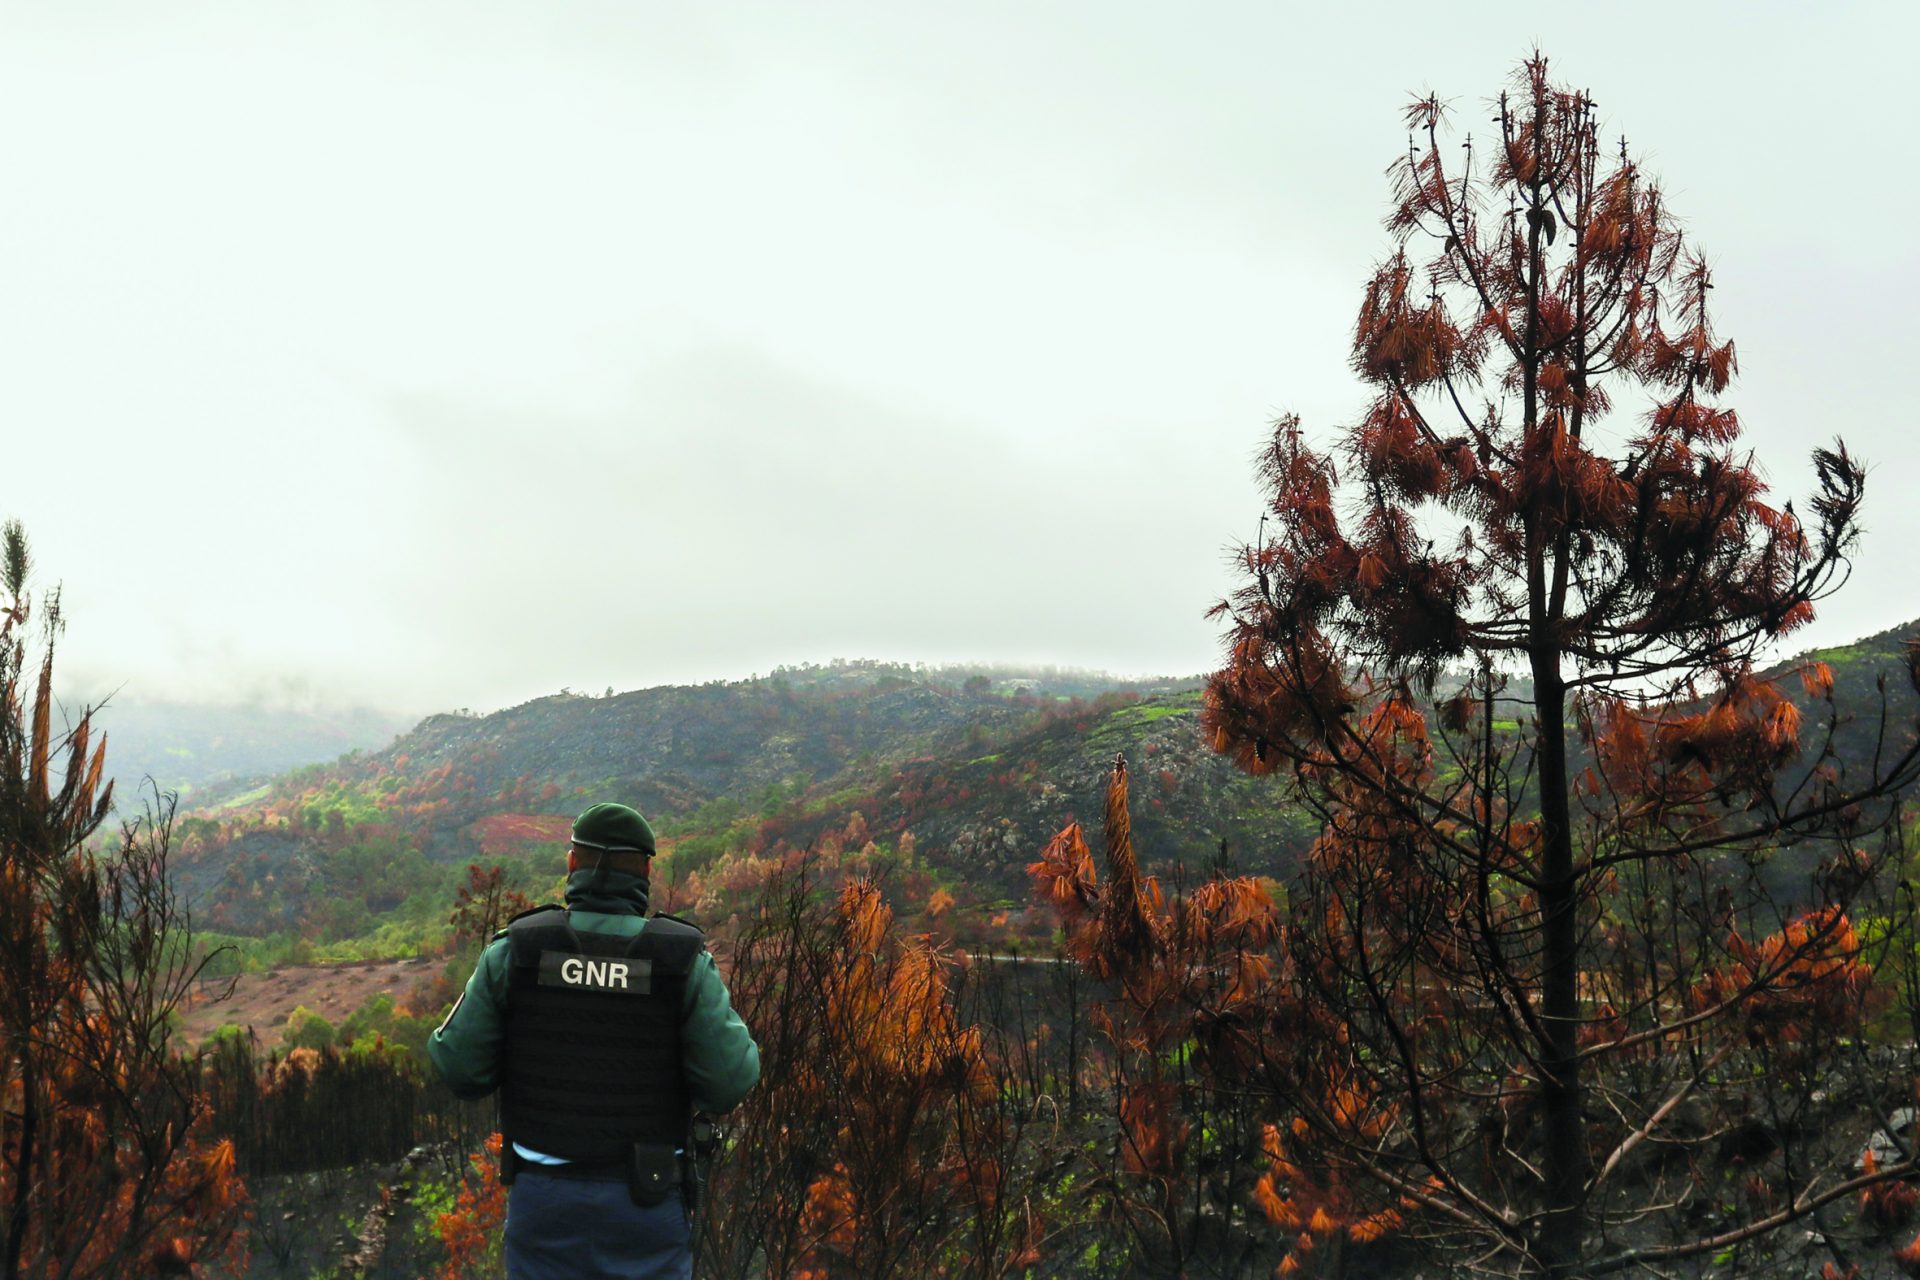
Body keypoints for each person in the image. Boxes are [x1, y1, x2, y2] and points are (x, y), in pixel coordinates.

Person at [430, 801, 760, 1279]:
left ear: (571, 864)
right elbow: (730, 1083)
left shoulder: (517, 950)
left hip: (542, 1200)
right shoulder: (681, 959)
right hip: (645, 1198)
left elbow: (458, 1067)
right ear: (645, 871)